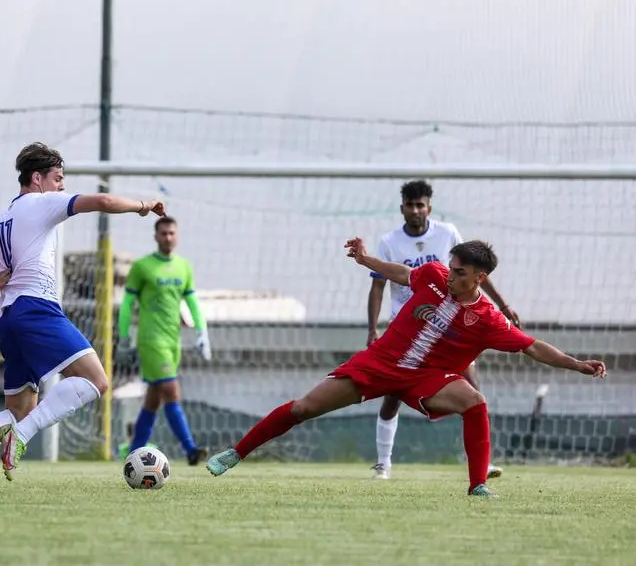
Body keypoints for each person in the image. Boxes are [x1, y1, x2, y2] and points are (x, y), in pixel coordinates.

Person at [207, 238, 606, 497]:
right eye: (451, 268)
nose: (450, 275)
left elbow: (533, 347)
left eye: (460, 272)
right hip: (379, 363)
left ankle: (477, 485)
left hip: (426, 378)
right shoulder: (432, 275)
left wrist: (577, 364)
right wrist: (366, 259)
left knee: (475, 401)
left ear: (479, 278)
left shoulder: (488, 318)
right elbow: (401, 272)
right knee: (302, 409)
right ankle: (235, 453)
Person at [0, 142, 166, 480]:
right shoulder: (42, 204)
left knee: (19, 409)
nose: (62, 186)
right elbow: (103, 201)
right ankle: (22, 438)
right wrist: (143, 205)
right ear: (37, 178)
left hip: (7, 320)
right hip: (36, 308)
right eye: (58, 178)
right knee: (95, 380)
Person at [367, 180, 519, 480]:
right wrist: (372, 328)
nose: (415, 210)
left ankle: (481, 462)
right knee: (392, 394)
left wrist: (501, 304)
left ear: (429, 207)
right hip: (408, 327)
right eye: (409, 205)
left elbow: (476, 272)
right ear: (402, 209)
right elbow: (377, 286)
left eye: (420, 204)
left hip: (451, 325)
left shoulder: (447, 234)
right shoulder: (389, 242)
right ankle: (383, 463)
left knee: (472, 388)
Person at [116, 216, 211, 465]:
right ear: (155, 236)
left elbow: (191, 301)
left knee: (154, 399)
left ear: (177, 236)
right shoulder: (142, 267)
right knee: (171, 390)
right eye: (163, 233)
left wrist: (202, 331)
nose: (168, 237)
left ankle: (133, 452)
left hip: (173, 342)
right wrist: (123, 336)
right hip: (151, 340)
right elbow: (127, 304)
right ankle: (190, 450)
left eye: (172, 233)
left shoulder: (184, 267)